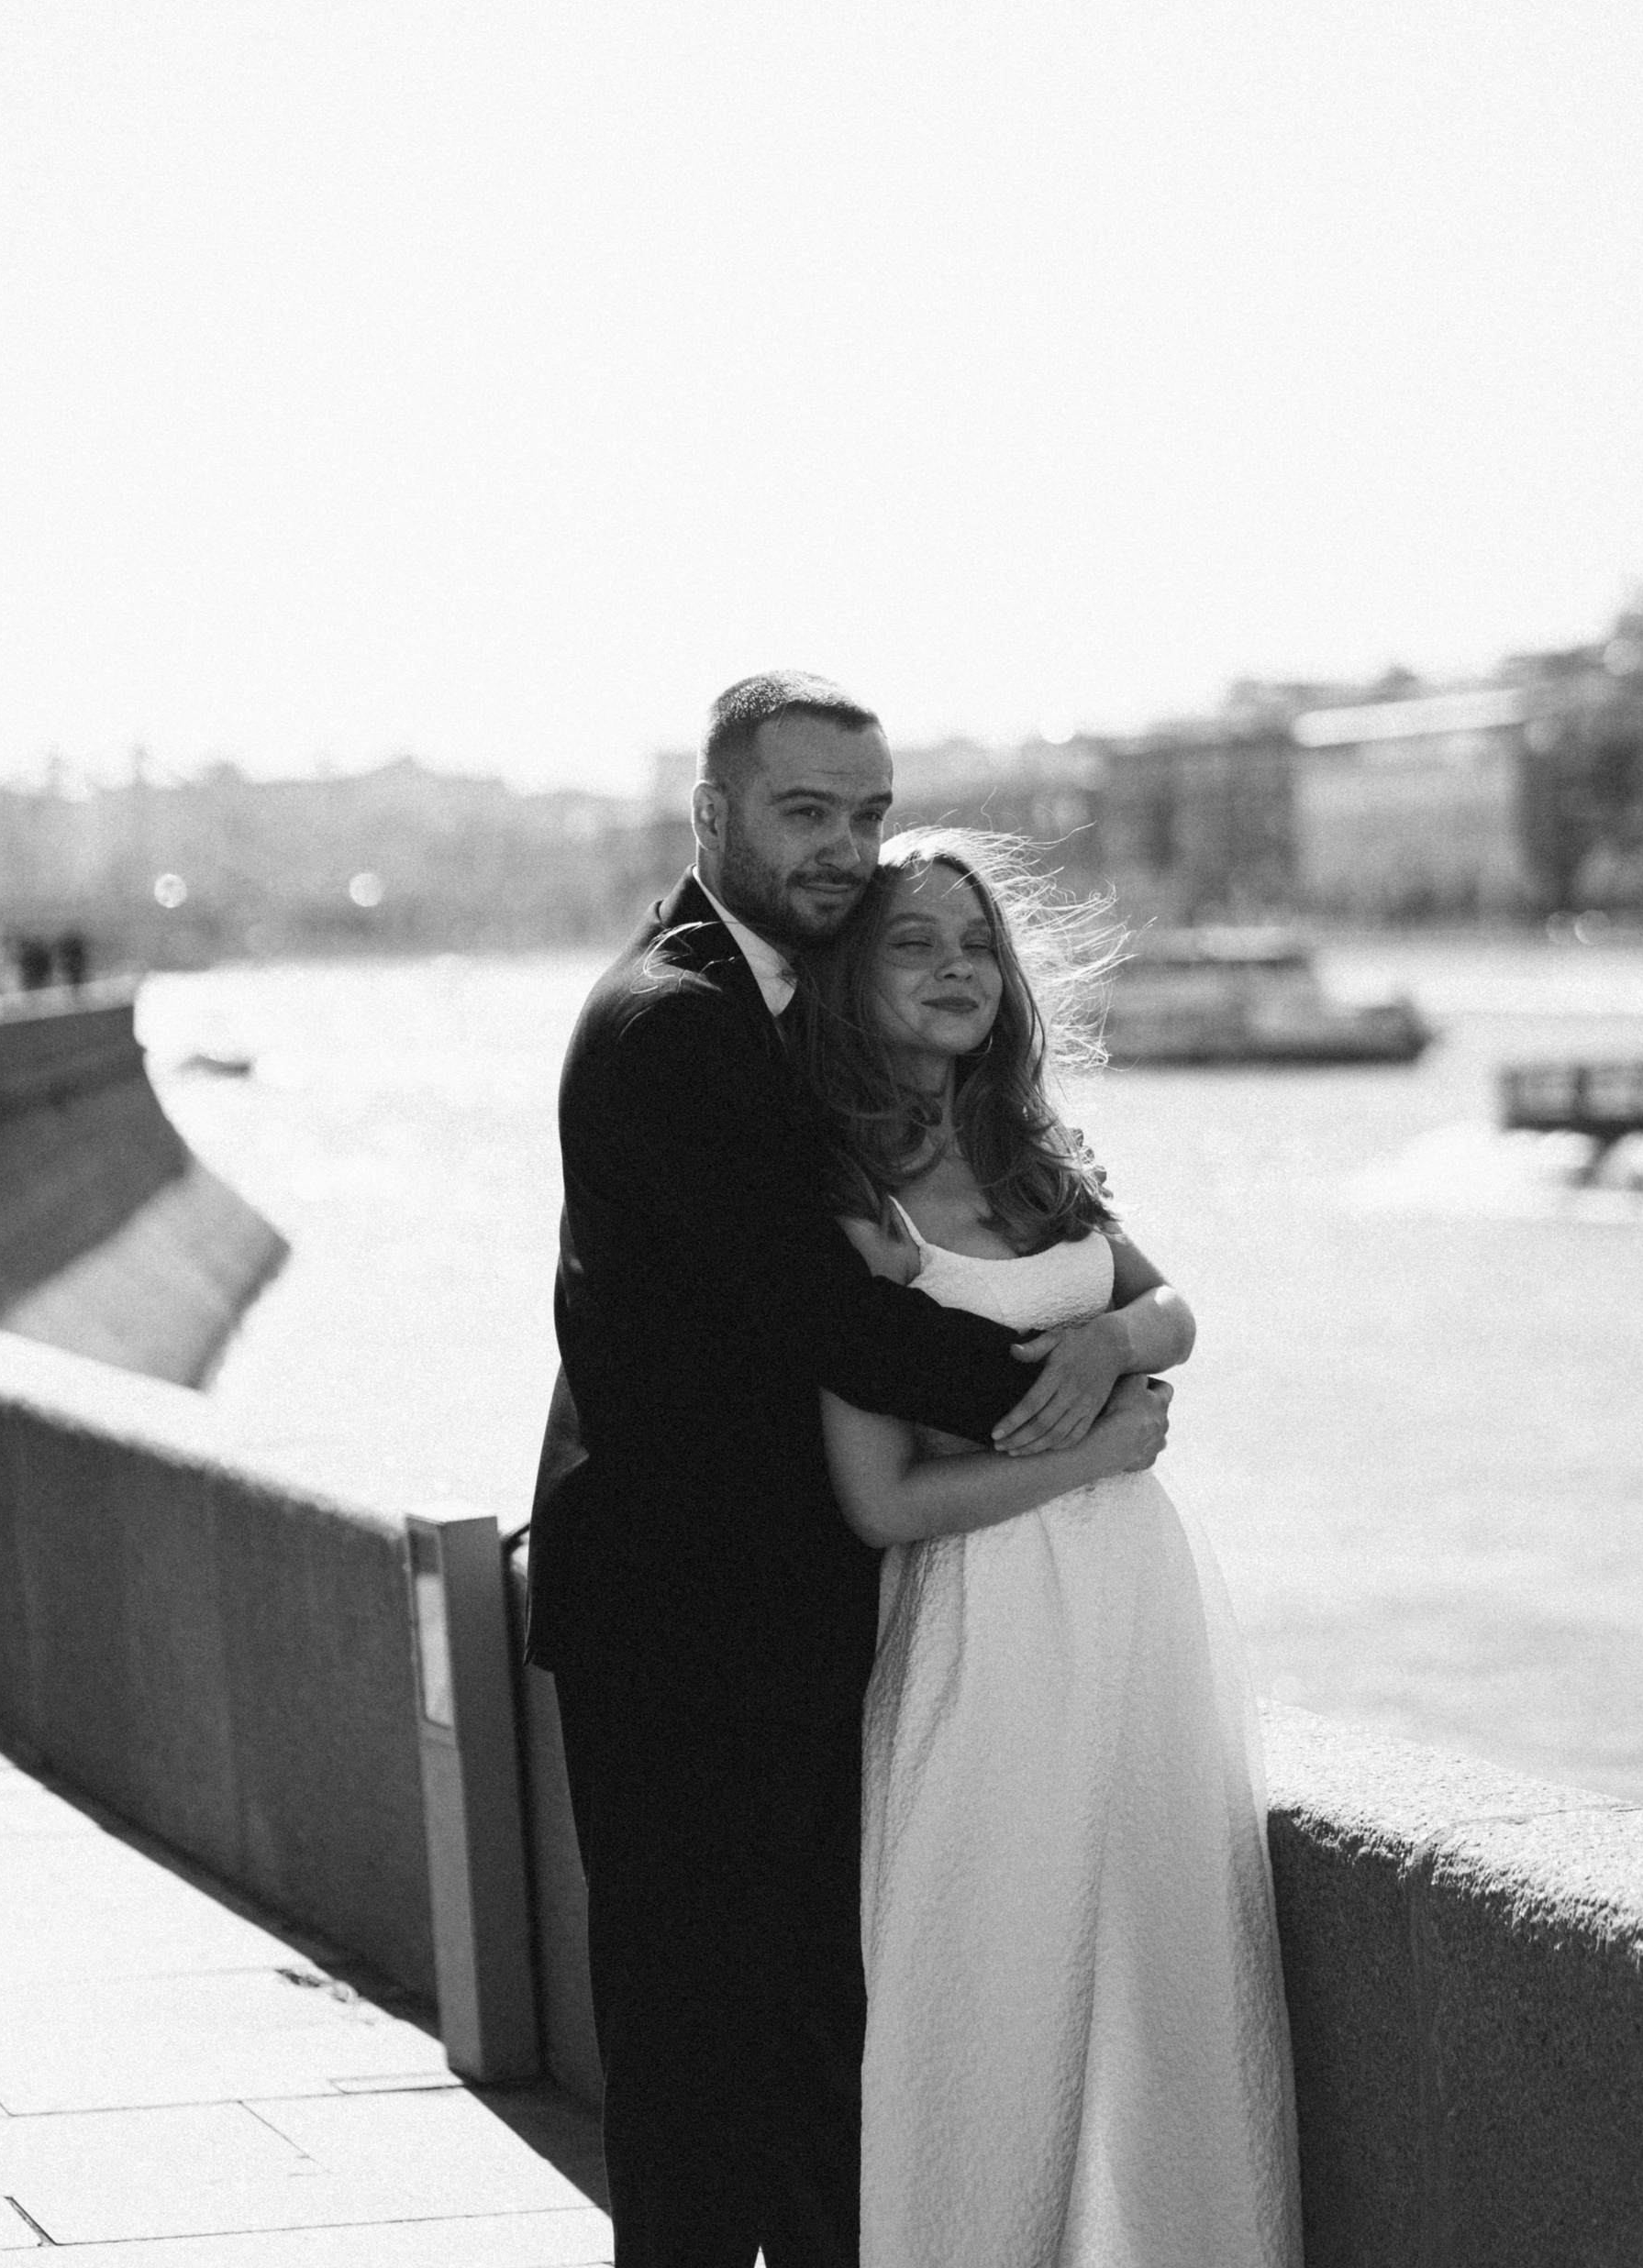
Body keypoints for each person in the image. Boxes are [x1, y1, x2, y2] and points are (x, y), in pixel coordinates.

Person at [527, 673, 1169, 2268]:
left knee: (816, 2055)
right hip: (686, 1624)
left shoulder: (782, 1010)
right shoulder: (676, 1023)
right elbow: (821, 1317)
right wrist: (1075, 1394)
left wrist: (1112, 1337)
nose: (843, 847)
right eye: (805, 811)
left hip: (786, 1612)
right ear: (712, 814)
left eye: (867, 814)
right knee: (697, 2065)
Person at [789, 827, 1303, 2268]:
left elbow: (1172, 1310)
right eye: (914, 942)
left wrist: (1109, 1340)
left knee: (1168, 1977)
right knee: (990, 1989)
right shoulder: (845, 1197)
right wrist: (1093, 1449)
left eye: (977, 945)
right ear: (851, 975)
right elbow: (881, 1502)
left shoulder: (1033, 1155)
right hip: (984, 1620)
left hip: (1140, 1611)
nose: (956, 967)